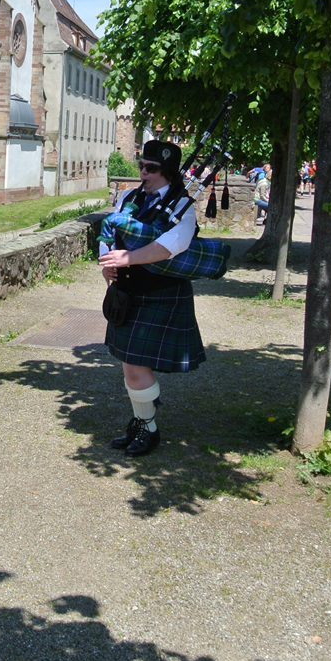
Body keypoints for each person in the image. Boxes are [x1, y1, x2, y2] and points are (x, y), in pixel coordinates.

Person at [99, 140, 207, 457]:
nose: (144, 173)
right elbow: (110, 234)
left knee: (134, 366)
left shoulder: (181, 206)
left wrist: (127, 260)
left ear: (169, 173)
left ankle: (148, 427)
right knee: (130, 366)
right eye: (142, 166)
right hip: (127, 293)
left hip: (162, 292)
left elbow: (172, 245)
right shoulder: (127, 197)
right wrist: (106, 264)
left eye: (152, 169)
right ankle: (142, 421)